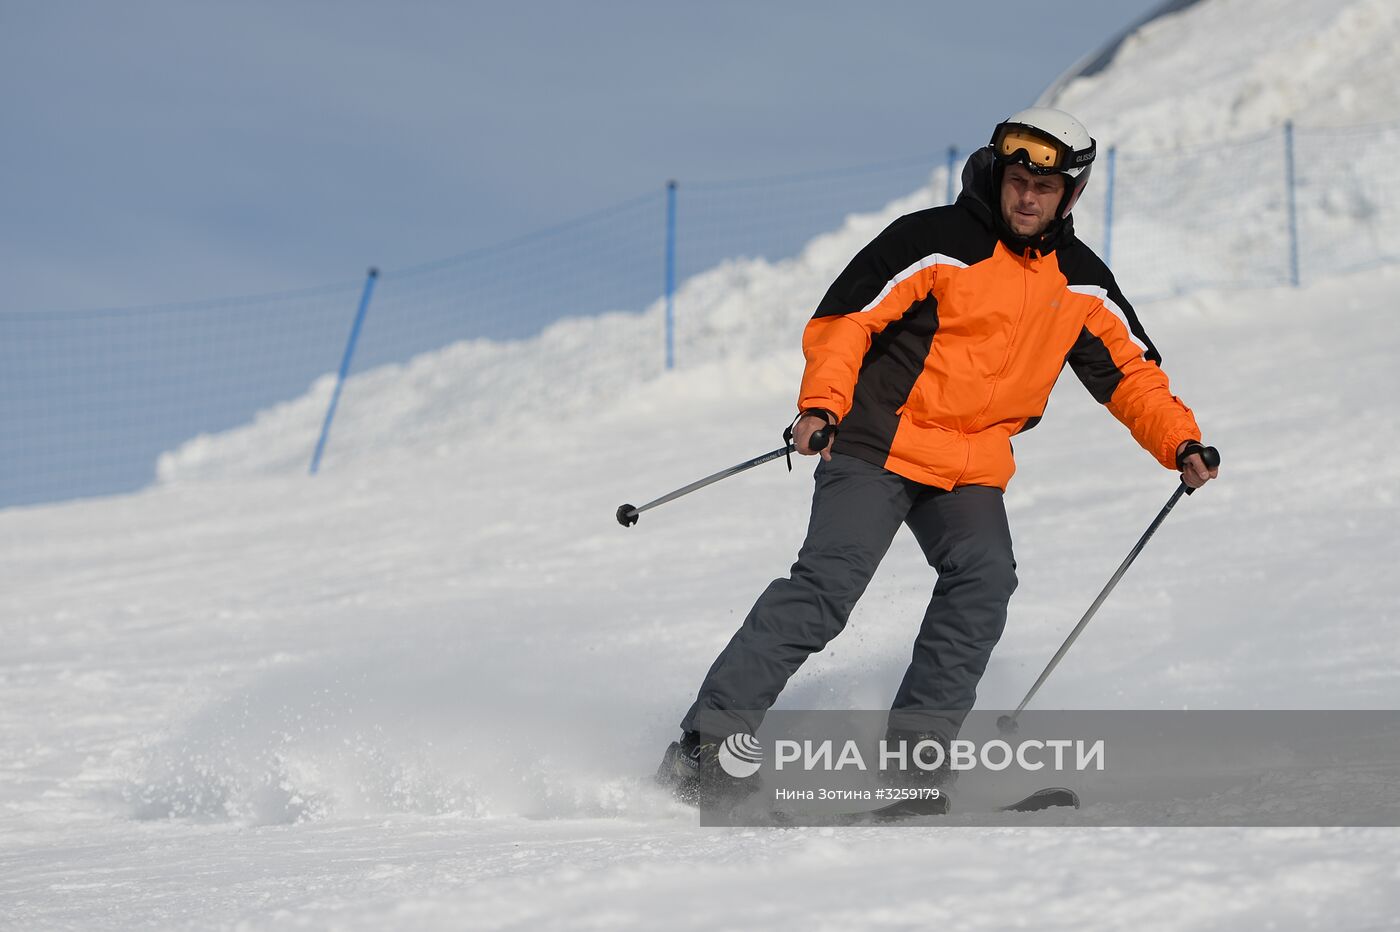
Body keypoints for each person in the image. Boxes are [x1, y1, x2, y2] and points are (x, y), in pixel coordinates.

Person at [657, 107, 1218, 804]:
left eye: (1044, 189)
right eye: (1018, 182)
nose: (1027, 198)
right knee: (827, 590)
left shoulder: (1081, 282)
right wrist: (822, 405)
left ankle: (913, 765)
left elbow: (1133, 374)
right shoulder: (934, 241)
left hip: (970, 464)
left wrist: (1180, 441)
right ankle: (705, 747)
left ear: (1069, 195)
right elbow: (845, 321)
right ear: (1000, 176)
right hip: (877, 442)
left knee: (984, 580)